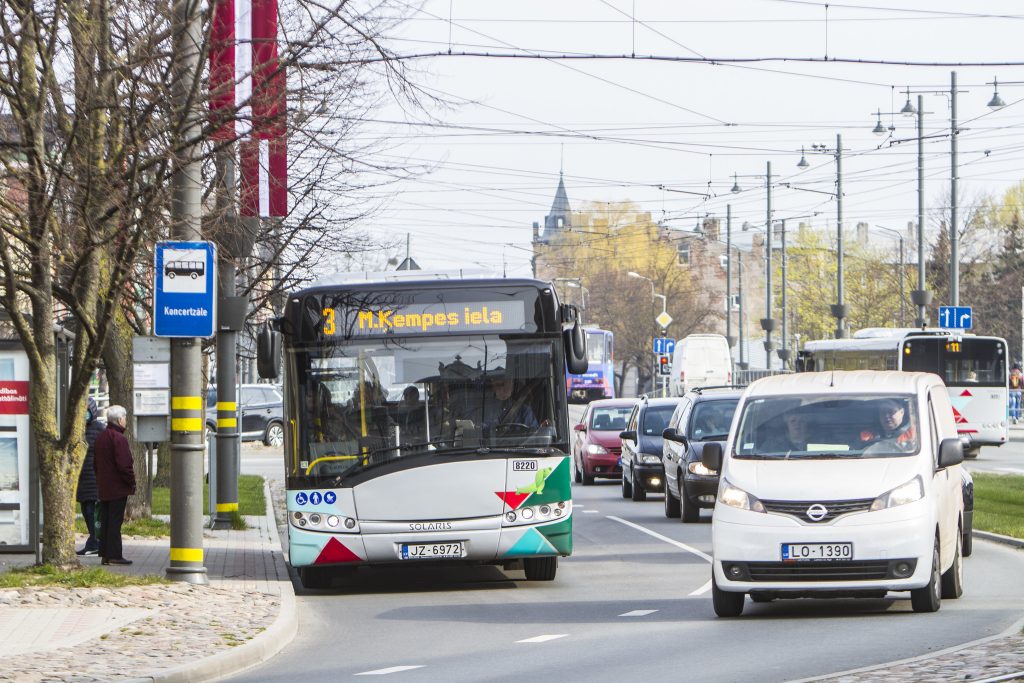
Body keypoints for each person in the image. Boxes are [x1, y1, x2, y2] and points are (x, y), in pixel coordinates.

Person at [93, 404, 136, 566]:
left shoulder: (101, 437)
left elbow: (95, 463)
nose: (125, 421)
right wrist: (131, 482)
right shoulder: (119, 439)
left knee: (106, 520)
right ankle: (115, 555)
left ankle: (104, 553)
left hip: (104, 486)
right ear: (119, 420)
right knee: (115, 522)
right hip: (117, 487)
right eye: (124, 418)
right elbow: (125, 465)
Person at [75, 398, 104, 556]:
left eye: (87, 410)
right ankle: (93, 541)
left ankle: (95, 541)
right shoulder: (76, 429)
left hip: (94, 478)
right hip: (81, 478)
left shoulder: (99, 429)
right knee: (86, 510)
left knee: (92, 510)